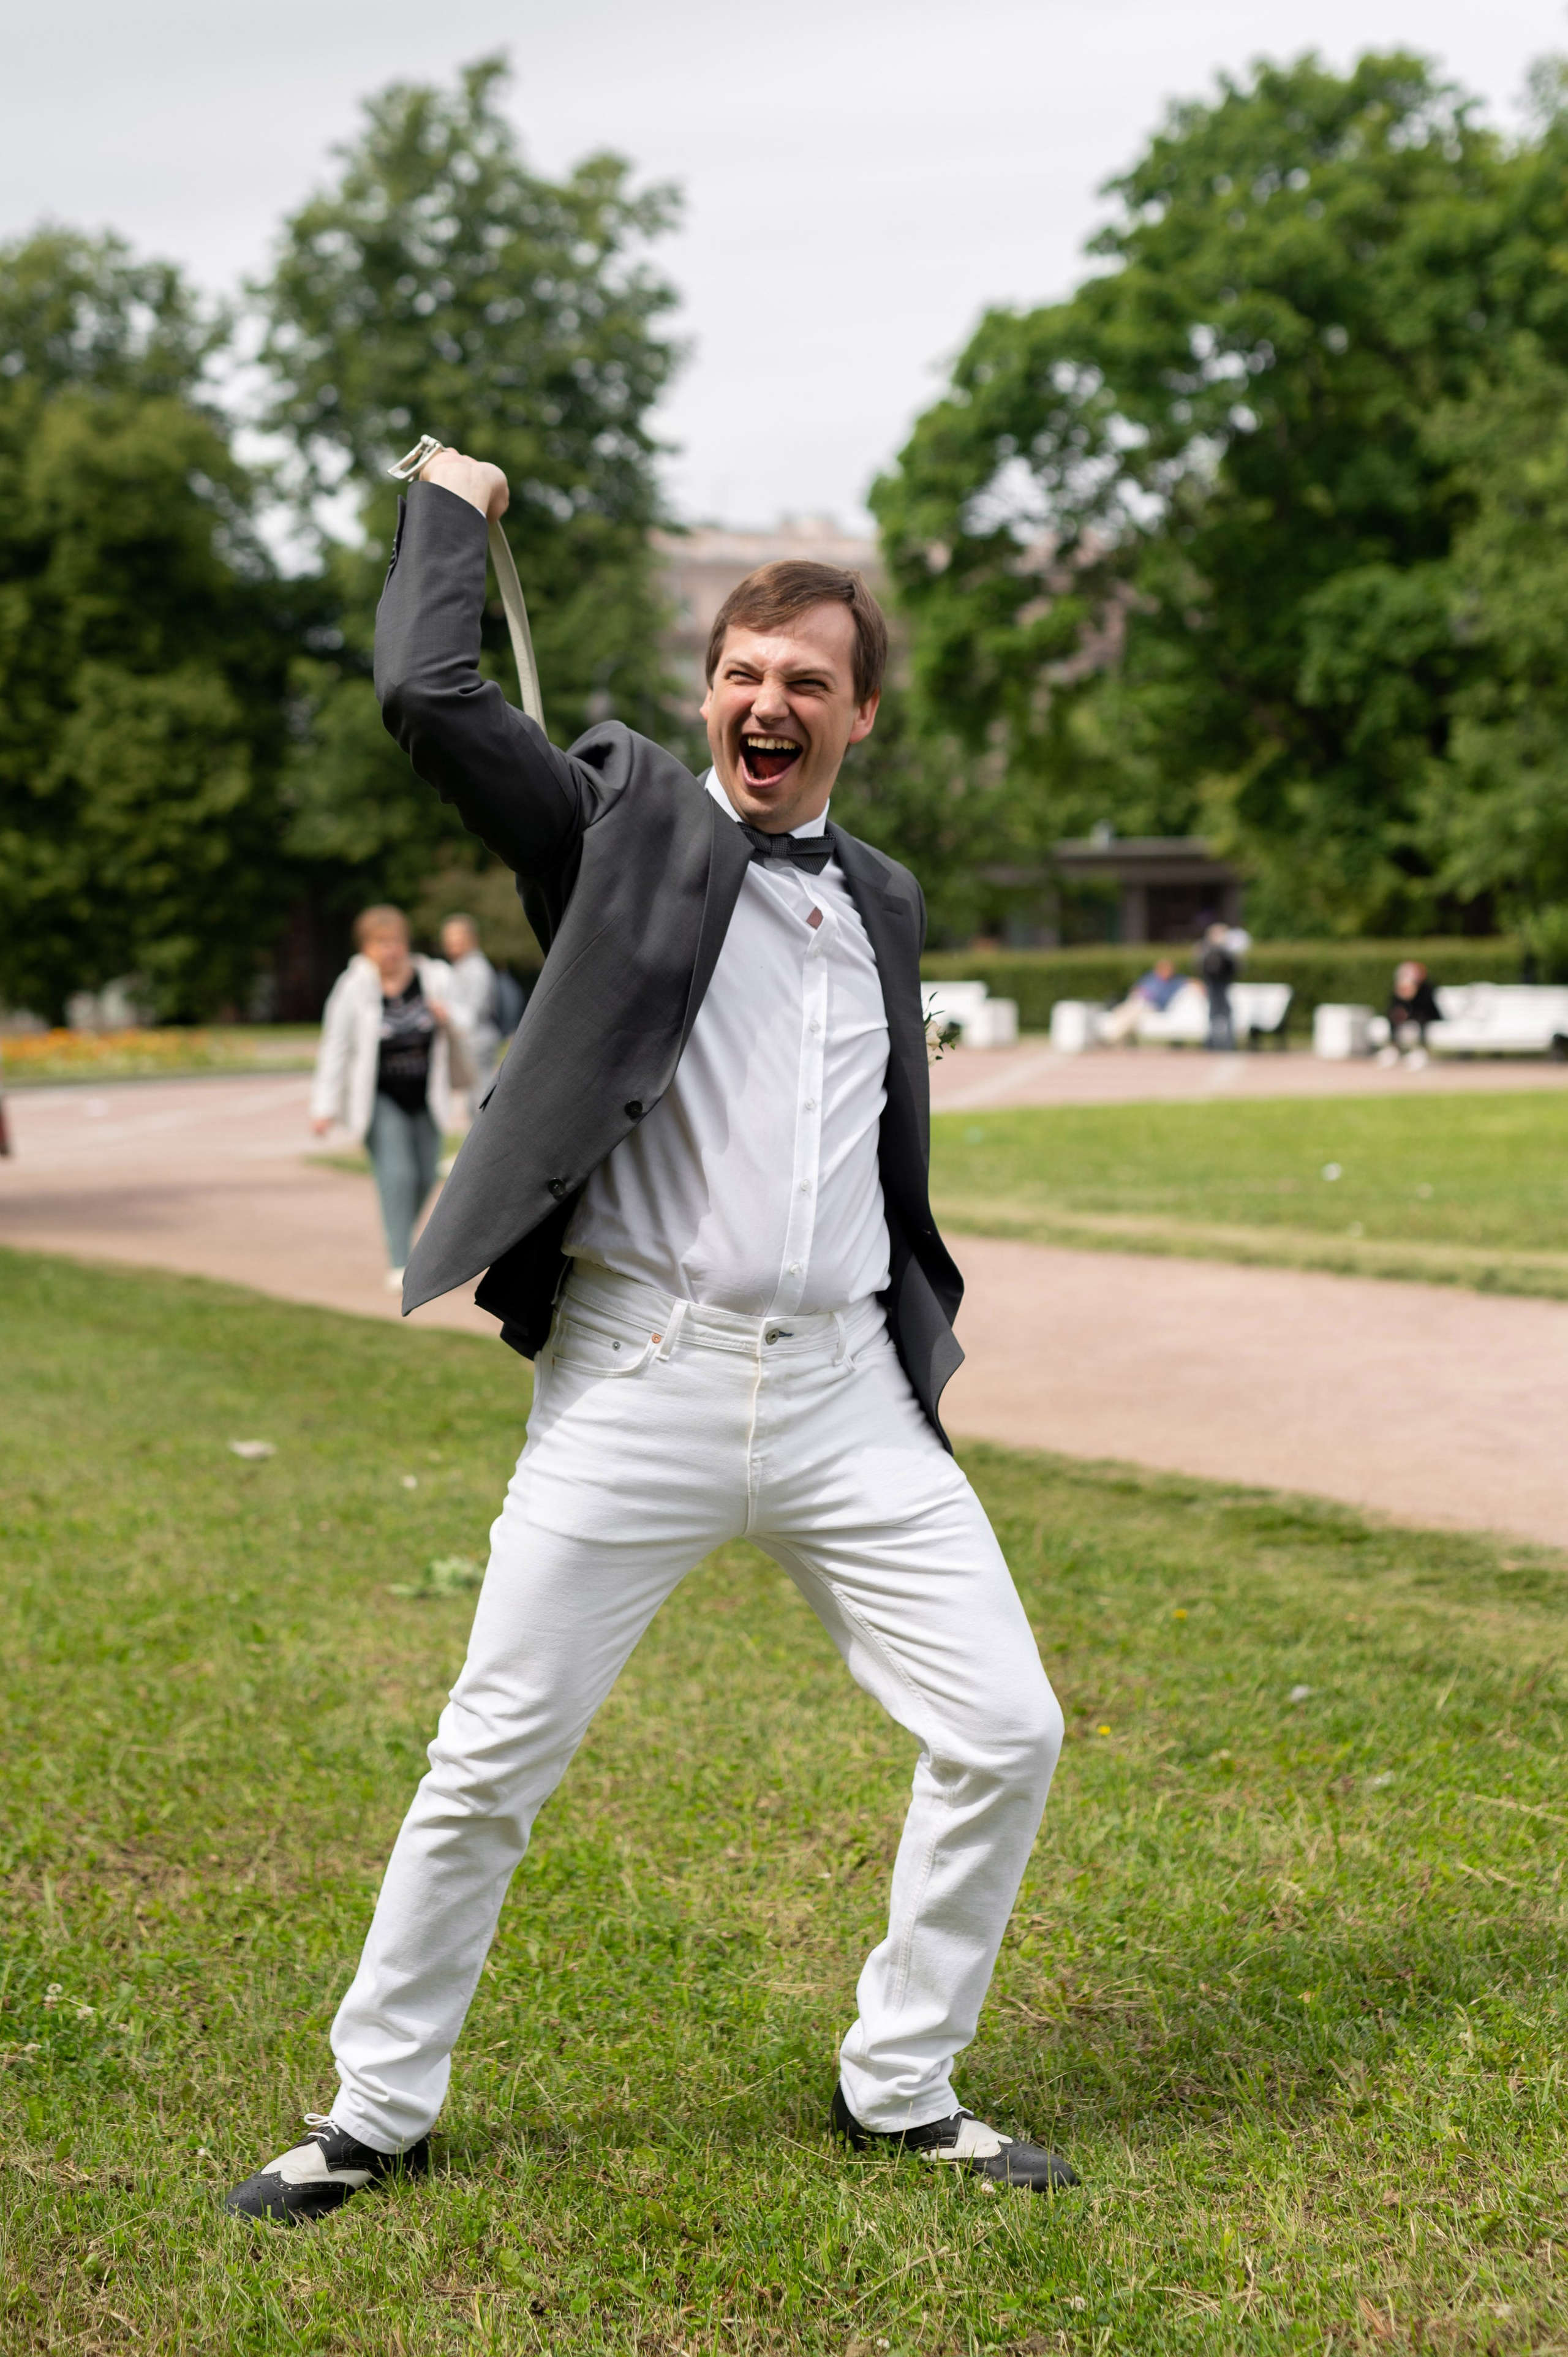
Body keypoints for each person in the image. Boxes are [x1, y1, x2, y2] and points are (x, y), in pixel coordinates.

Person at [226, 447, 1075, 2227]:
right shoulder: (618, 824)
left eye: (808, 682)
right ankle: (373, 2109)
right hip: (638, 1377)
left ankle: (900, 2080)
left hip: (846, 1392)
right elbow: (426, 692)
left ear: (857, 716)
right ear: (707, 696)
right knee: (488, 1758)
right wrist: (448, 512)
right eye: (742, 674)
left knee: (1007, 1726)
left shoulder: (884, 898)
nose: (770, 702)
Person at [309, 907, 473, 1289]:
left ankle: (401, 1238)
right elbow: (335, 1046)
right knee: (397, 1175)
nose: (390, 951)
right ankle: (400, 1262)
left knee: (426, 1176)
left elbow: (470, 1023)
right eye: (381, 943)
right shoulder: (354, 985)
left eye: (396, 942)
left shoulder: (434, 977)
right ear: (365, 947)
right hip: (380, 1097)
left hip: (426, 1094)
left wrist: (447, 1015)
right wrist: (324, 1107)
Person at [439, 913, 503, 1117]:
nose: (452, 945)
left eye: (457, 939)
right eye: (449, 940)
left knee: (480, 1102)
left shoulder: (476, 968)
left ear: (471, 938)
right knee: (473, 1103)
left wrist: (445, 1011)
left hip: (477, 1042)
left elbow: (473, 1013)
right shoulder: (462, 966)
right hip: (468, 1043)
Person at [1099, 955, 1183, 1045]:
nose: (1164, 972)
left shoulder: (1175, 982)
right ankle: (1112, 1035)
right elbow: (1136, 988)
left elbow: (1190, 982)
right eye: (1162, 969)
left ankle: (1111, 1037)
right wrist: (1139, 992)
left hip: (1153, 1006)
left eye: (1167, 969)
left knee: (1132, 1012)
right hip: (1139, 1001)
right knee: (1122, 1011)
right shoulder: (1150, 978)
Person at [1378, 959, 1441, 1068]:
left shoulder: (1426, 987)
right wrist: (1401, 1007)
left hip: (1427, 1015)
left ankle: (1421, 1049)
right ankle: (1394, 1047)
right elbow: (1393, 1005)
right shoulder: (1401, 988)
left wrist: (1413, 993)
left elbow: (1426, 1006)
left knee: (1422, 1020)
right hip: (1411, 1015)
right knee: (1393, 1017)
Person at [1197, 921, 1238, 1052]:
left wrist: (1224, 950)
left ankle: (1228, 1043)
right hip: (1212, 985)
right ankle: (1212, 1043)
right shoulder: (1205, 949)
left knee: (1226, 1013)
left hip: (1224, 985)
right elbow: (1202, 967)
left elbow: (1235, 967)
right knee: (1213, 1013)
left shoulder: (1228, 950)